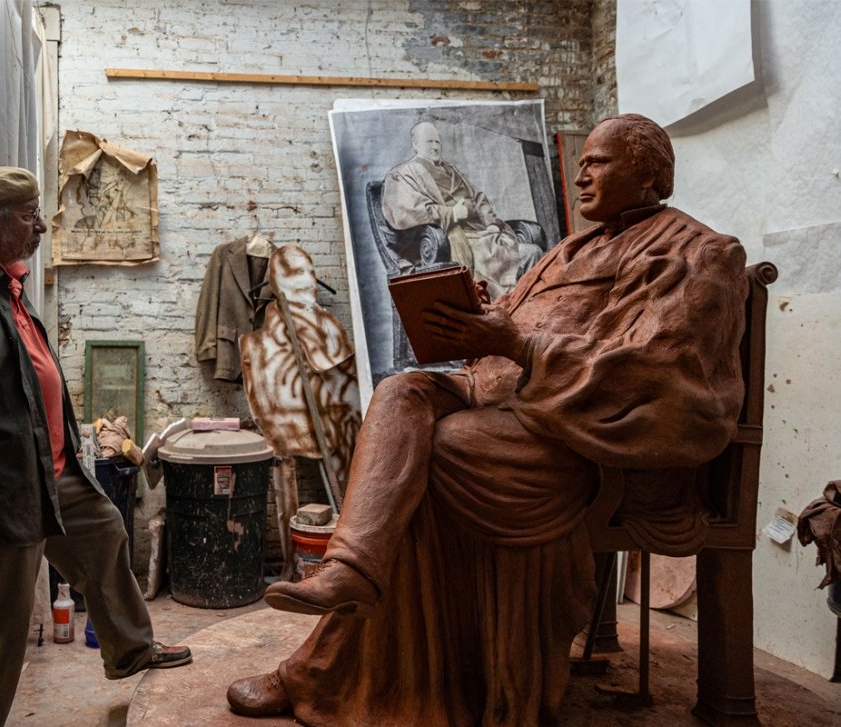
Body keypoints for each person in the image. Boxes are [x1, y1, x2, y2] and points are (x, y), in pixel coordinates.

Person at [227, 114, 748, 725]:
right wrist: (485, 315)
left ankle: (346, 673)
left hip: (585, 436)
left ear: (650, 171)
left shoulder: (699, 252)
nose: (581, 172)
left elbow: (662, 373)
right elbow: (521, 320)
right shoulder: (573, 247)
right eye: (583, 162)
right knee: (402, 393)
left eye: (599, 161)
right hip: (509, 399)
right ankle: (349, 569)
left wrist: (519, 344)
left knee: (441, 451)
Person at [0, 167, 191, 727]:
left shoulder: (8, 283)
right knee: (0, 625)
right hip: (3, 490)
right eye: (27, 215)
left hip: (52, 470)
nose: (40, 225)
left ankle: (131, 648)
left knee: (106, 532)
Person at [381, 120, 543, 298]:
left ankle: (523, 310)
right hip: (454, 243)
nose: (435, 147)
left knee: (533, 252)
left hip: (484, 236)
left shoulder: (452, 170)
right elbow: (406, 213)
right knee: (521, 256)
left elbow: (479, 198)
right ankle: (502, 307)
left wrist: (492, 224)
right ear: (415, 144)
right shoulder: (403, 174)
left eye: (437, 142)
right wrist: (452, 213)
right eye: (429, 142)